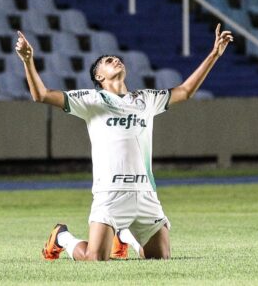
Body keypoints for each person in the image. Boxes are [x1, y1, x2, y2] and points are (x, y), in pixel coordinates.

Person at [15, 24, 233, 261]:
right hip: (110, 192)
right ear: (99, 76)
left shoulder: (146, 99)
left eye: (118, 59)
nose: (116, 60)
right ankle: (62, 237)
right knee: (95, 259)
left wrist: (214, 55)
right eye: (109, 60)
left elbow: (186, 91)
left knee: (159, 259)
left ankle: (125, 236)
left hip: (146, 192)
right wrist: (28, 61)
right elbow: (42, 95)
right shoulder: (91, 99)